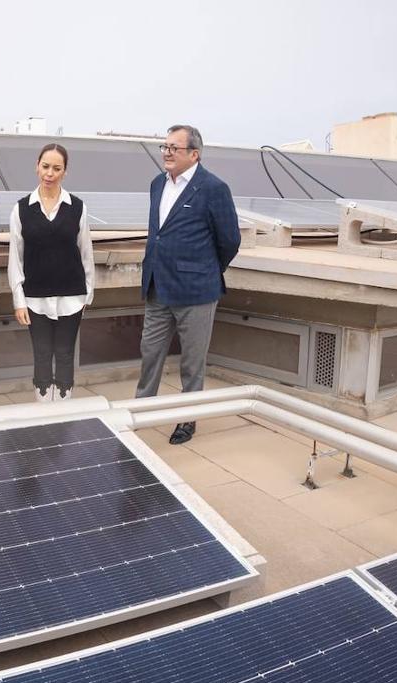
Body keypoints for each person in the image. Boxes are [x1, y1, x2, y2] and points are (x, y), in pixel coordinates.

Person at [136, 124, 241, 444]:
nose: (166, 152)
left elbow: (230, 240)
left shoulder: (213, 188)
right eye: (164, 147)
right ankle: (140, 411)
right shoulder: (157, 184)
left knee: (192, 363)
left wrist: (204, 271)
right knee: (149, 353)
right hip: (157, 287)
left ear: (194, 154)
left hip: (196, 292)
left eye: (174, 148)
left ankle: (187, 418)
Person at [7, 143, 94, 402]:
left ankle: (64, 412)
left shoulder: (78, 207)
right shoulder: (21, 208)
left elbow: (86, 252)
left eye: (57, 168)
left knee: (66, 354)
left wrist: (87, 294)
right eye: (45, 166)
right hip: (34, 298)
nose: (50, 173)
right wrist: (18, 299)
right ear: (37, 166)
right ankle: (44, 411)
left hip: (72, 297)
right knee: (42, 354)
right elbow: (16, 257)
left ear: (65, 172)